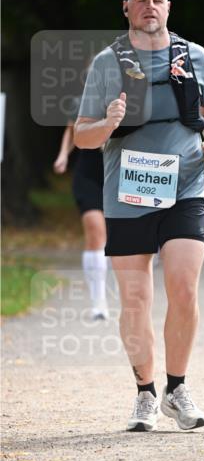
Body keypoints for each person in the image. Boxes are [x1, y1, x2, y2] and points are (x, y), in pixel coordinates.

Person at [73, 0, 204, 432]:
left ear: (168, 7)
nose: (149, 7)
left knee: (183, 288)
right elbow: (82, 136)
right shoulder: (107, 62)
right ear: (126, 8)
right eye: (140, 0)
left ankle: (177, 389)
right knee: (136, 298)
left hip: (185, 186)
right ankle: (144, 393)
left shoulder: (194, 55)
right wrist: (108, 122)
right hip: (127, 191)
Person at [53, 124, 109, 319]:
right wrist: (63, 155)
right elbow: (72, 128)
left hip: (121, 172)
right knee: (95, 232)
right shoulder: (84, 94)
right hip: (88, 174)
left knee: (122, 237)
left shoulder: (136, 95)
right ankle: (99, 302)